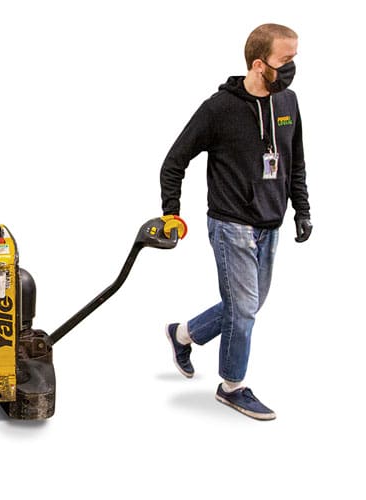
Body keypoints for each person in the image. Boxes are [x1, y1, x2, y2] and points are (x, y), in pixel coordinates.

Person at [160, 23, 312, 421]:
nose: (293, 68)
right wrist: (171, 213)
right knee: (244, 309)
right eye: (286, 60)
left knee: (249, 303)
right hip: (231, 224)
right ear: (259, 64)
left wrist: (303, 209)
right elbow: (174, 162)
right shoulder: (219, 109)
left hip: (270, 222)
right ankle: (232, 386)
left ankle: (182, 334)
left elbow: (295, 162)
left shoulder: (289, 102)